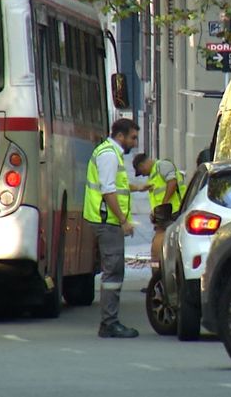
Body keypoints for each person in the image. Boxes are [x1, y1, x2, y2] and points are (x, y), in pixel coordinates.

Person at [83, 118, 149, 338]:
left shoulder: (110, 153)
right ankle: (109, 323)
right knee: (113, 271)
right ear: (120, 136)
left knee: (115, 270)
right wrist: (123, 220)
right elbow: (108, 190)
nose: (134, 142)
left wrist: (137, 187)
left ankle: (110, 321)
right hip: (107, 221)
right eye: (132, 137)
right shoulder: (109, 155)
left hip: (107, 220)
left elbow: (116, 184)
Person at [132, 153, 187, 264]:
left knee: (161, 239)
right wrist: (155, 212)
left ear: (142, 165)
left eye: (141, 172)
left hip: (173, 211)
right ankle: (161, 264)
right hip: (164, 213)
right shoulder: (153, 176)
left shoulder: (162, 166)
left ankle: (158, 266)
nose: (142, 175)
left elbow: (172, 183)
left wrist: (163, 204)